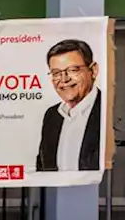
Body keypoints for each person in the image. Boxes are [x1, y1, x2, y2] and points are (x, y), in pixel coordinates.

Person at [36, 39, 102, 172]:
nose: (64, 79)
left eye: (72, 70)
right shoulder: (52, 115)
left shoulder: (107, 109)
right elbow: (43, 167)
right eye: (56, 73)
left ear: (93, 71)